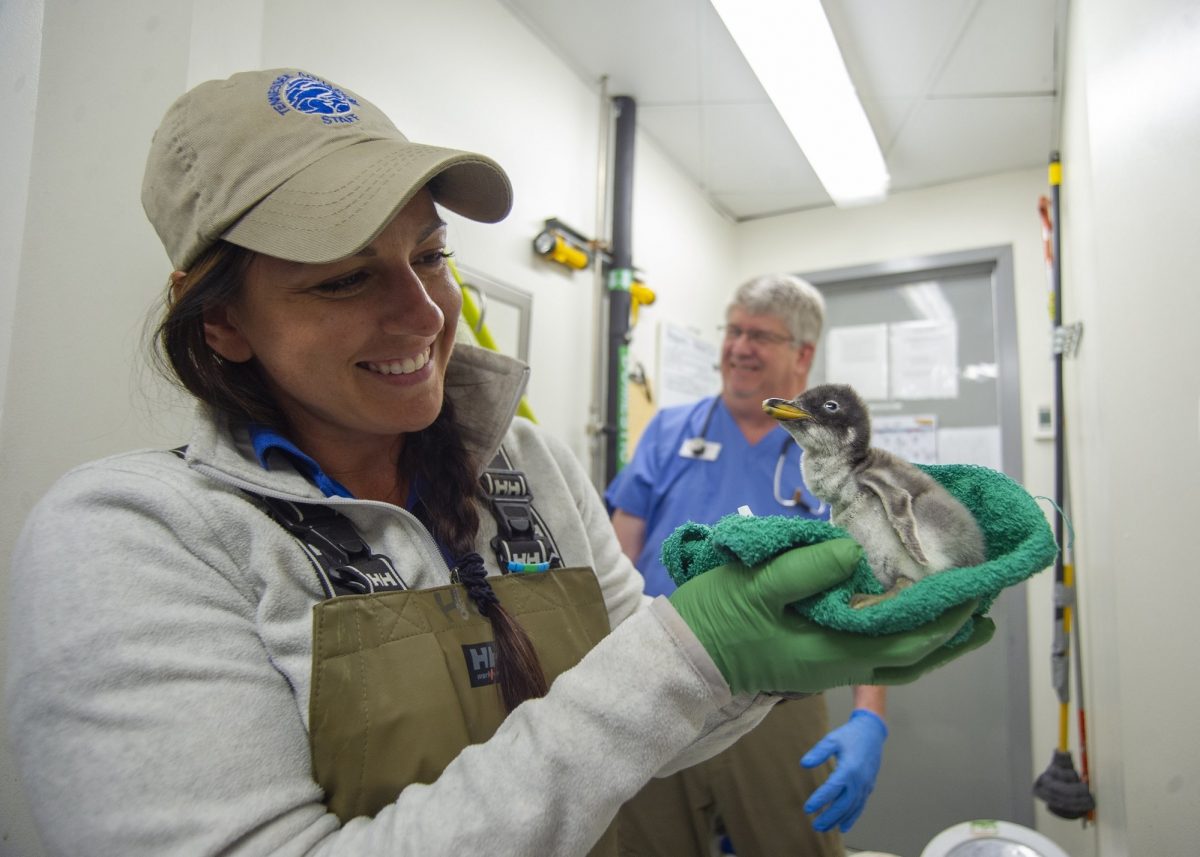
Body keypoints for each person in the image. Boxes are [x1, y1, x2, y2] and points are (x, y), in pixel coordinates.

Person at [5, 69, 984, 857]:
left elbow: (645, 709)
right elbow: (648, 678)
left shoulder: (526, 465)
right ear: (218, 317)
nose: (425, 315)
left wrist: (762, 670)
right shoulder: (135, 538)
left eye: (429, 255)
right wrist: (694, 648)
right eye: (347, 277)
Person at [608, 274, 888, 857]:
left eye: (759, 335)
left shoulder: (836, 460)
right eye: (733, 330)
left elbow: (869, 597)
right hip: (659, 686)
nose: (738, 347)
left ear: (802, 354)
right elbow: (616, 561)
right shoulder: (668, 432)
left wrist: (869, 717)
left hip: (778, 699)